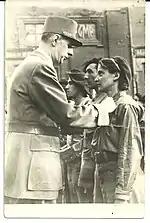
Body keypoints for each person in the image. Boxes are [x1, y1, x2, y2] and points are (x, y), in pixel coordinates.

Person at [5, 16, 116, 204]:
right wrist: (101, 110)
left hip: (26, 163)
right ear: (55, 40)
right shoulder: (40, 67)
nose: (71, 53)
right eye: (69, 45)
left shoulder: (31, 64)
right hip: (32, 167)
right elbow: (67, 116)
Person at [92, 56, 144, 203]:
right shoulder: (107, 104)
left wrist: (122, 192)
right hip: (102, 173)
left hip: (116, 176)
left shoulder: (125, 105)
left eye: (101, 73)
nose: (96, 79)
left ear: (116, 75)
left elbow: (130, 150)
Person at [78, 58, 107, 203]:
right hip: (89, 164)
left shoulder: (108, 102)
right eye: (85, 72)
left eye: (90, 72)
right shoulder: (93, 101)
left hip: (101, 165)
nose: (86, 76)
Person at [63, 68, 92, 203]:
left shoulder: (89, 106)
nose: (67, 87)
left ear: (79, 85)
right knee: (71, 194)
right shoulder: (72, 105)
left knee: (82, 198)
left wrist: (70, 151)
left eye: (70, 83)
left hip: (83, 161)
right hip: (70, 160)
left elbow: (90, 138)